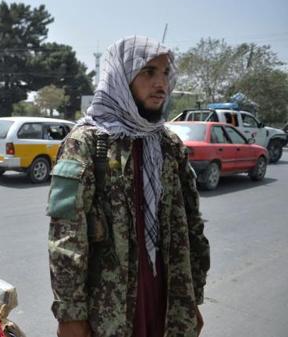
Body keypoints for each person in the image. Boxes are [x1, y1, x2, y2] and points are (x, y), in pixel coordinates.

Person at [47, 36, 210, 337]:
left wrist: (191, 297)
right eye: (148, 72)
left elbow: (191, 224)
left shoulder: (169, 145)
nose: (161, 83)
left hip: (166, 298)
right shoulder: (84, 143)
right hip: (110, 309)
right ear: (121, 77)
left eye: (165, 73)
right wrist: (70, 314)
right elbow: (66, 236)